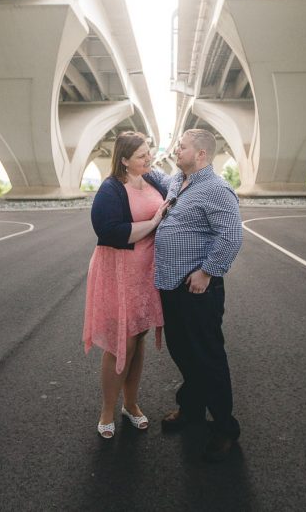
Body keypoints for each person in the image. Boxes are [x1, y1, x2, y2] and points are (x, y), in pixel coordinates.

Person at [154, 128, 243, 462]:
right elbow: (153, 175)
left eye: (183, 146)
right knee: (182, 351)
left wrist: (207, 271)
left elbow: (231, 236)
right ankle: (190, 410)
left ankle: (224, 428)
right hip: (171, 284)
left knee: (207, 356)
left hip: (197, 287)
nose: (177, 149)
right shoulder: (178, 181)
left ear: (201, 155)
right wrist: (132, 157)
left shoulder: (218, 190)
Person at [83, 131, 170, 439]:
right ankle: (107, 411)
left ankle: (130, 405)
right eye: (141, 156)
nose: (149, 158)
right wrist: (154, 223)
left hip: (146, 272)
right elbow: (109, 232)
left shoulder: (154, 180)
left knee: (139, 337)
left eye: (149, 152)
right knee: (122, 340)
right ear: (123, 160)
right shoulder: (110, 189)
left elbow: (180, 192)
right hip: (119, 272)